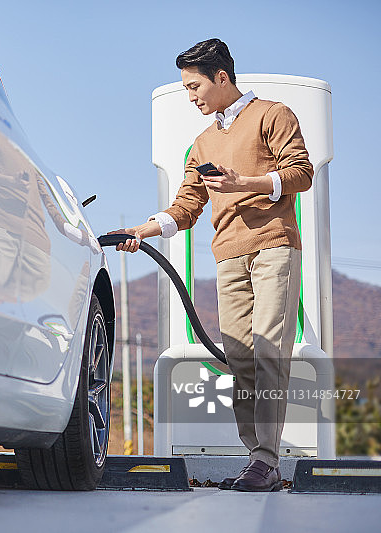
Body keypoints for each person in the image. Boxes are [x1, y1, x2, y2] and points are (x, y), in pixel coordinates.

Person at [110, 38, 313, 492]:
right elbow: (187, 206)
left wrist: (245, 182)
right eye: (186, 88)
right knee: (239, 357)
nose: (191, 96)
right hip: (228, 255)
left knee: (268, 350)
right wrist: (142, 230)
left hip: (274, 245)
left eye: (194, 86)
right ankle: (256, 457)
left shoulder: (272, 114)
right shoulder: (201, 143)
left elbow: (301, 173)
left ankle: (266, 460)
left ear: (222, 77)